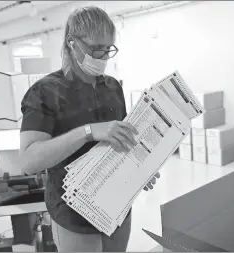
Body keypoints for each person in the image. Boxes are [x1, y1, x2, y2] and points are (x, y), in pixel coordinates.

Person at [18, 6, 160, 252]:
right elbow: (29, 161)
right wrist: (89, 131)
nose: (103, 57)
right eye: (97, 49)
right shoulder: (45, 92)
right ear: (72, 43)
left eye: (108, 50)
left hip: (117, 207)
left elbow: (122, 139)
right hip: (74, 216)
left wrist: (140, 169)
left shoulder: (112, 87)